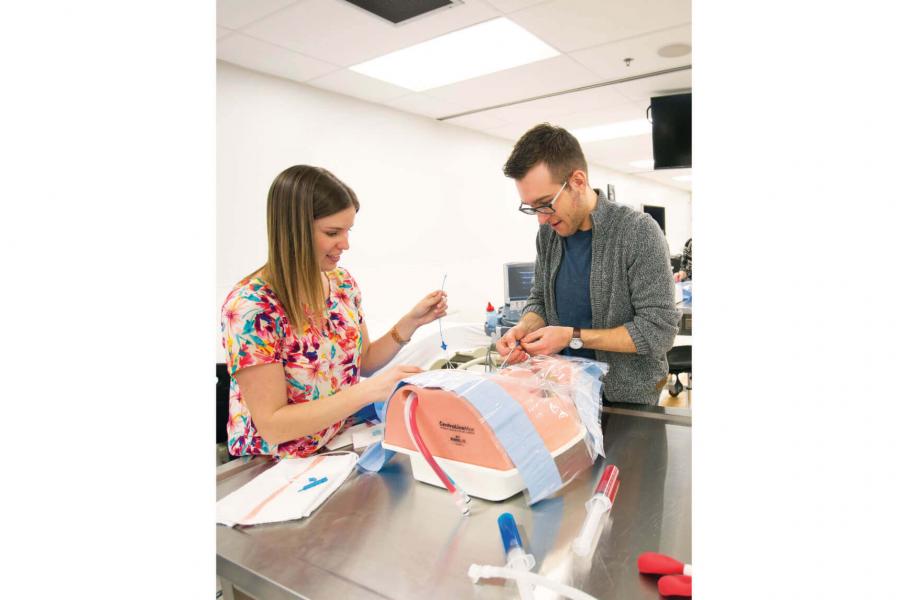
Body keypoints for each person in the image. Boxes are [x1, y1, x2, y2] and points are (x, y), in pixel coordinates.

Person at [220, 165, 447, 458]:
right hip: (274, 464)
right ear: (294, 231)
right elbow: (273, 425)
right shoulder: (252, 307)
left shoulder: (342, 285)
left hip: (335, 444)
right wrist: (366, 392)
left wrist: (410, 323)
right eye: (332, 232)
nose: (346, 244)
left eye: (348, 230)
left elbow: (364, 362)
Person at [495, 124, 680, 405]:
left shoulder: (637, 232)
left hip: (626, 401)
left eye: (545, 204)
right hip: (564, 393)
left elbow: (658, 332)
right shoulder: (548, 235)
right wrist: (524, 327)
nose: (541, 219)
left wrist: (572, 337)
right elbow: (540, 300)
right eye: (531, 207)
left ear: (578, 181)